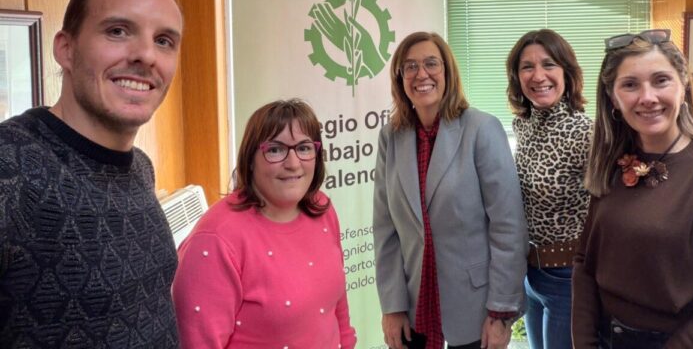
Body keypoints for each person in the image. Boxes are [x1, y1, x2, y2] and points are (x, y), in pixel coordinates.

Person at [0, 0, 183, 347]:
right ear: (66, 49)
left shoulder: (140, 169)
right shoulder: (9, 167)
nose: (146, 55)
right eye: (118, 31)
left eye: (164, 40)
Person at [572, 29, 693, 349]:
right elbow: (585, 264)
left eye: (661, 80)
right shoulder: (613, 164)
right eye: (630, 84)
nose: (647, 97)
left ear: (683, 86)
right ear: (613, 98)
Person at [373, 31, 528, 349]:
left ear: (448, 72)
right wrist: (392, 305)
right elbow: (385, 228)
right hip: (414, 307)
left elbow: (508, 228)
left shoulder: (481, 129)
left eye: (432, 63)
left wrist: (500, 313)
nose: (422, 74)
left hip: (476, 308)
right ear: (400, 78)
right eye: (410, 66)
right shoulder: (392, 137)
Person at [172, 99, 356, 349]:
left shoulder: (321, 208)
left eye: (303, 148)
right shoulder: (215, 240)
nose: (293, 163)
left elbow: (337, 310)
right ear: (250, 159)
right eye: (275, 150)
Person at [506, 29, 592, 349]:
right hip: (531, 275)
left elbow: (614, 211)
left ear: (567, 72)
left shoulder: (584, 132)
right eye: (527, 67)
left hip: (569, 278)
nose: (538, 75)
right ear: (517, 77)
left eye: (549, 64)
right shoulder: (523, 126)